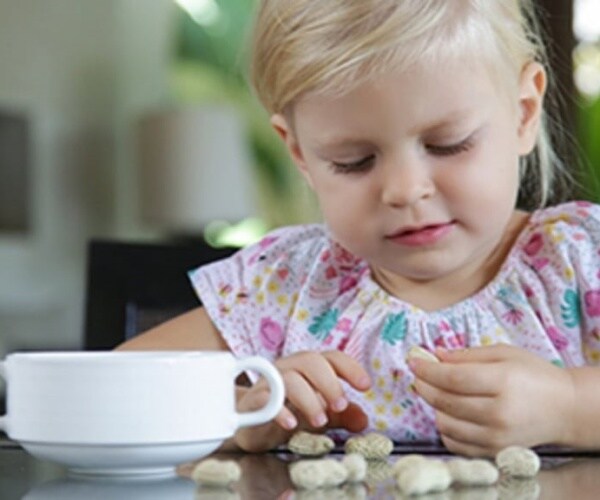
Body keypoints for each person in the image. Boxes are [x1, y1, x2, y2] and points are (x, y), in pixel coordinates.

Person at [118, 0, 600, 457]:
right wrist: (239, 414)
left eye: (447, 144)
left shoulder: (581, 258)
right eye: (354, 161)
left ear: (523, 112)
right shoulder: (284, 284)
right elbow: (115, 390)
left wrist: (571, 406)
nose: (405, 190)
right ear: (302, 154)